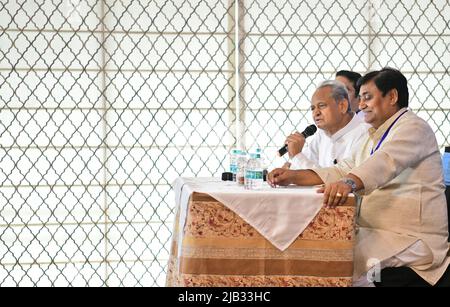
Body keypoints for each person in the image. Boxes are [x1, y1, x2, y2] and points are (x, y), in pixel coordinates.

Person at [268, 68, 449, 286]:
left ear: (392, 97)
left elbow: (385, 161)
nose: (361, 104)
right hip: (377, 231)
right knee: (323, 248)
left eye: (367, 97)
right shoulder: (373, 134)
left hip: (411, 237)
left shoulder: (413, 127)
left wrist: (348, 183)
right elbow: (342, 169)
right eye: (360, 98)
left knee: (340, 262)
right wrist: (293, 176)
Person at [284, 80, 370, 170]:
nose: (316, 113)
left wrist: (297, 156)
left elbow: (339, 178)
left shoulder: (365, 133)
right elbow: (303, 166)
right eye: (313, 108)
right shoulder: (322, 134)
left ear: (342, 106)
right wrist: (289, 168)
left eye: (321, 106)